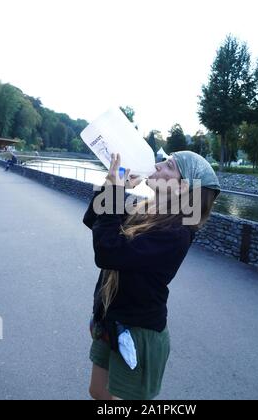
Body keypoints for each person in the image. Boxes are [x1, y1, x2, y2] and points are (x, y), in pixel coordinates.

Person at [83, 151, 221, 400]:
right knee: (98, 391)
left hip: (137, 331)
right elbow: (93, 220)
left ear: (182, 187)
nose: (156, 165)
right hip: (113, 319)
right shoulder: (146, 210)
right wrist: (111, 187)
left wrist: (115, 195)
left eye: (168, 165)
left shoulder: (177, 232)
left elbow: (108, 251)